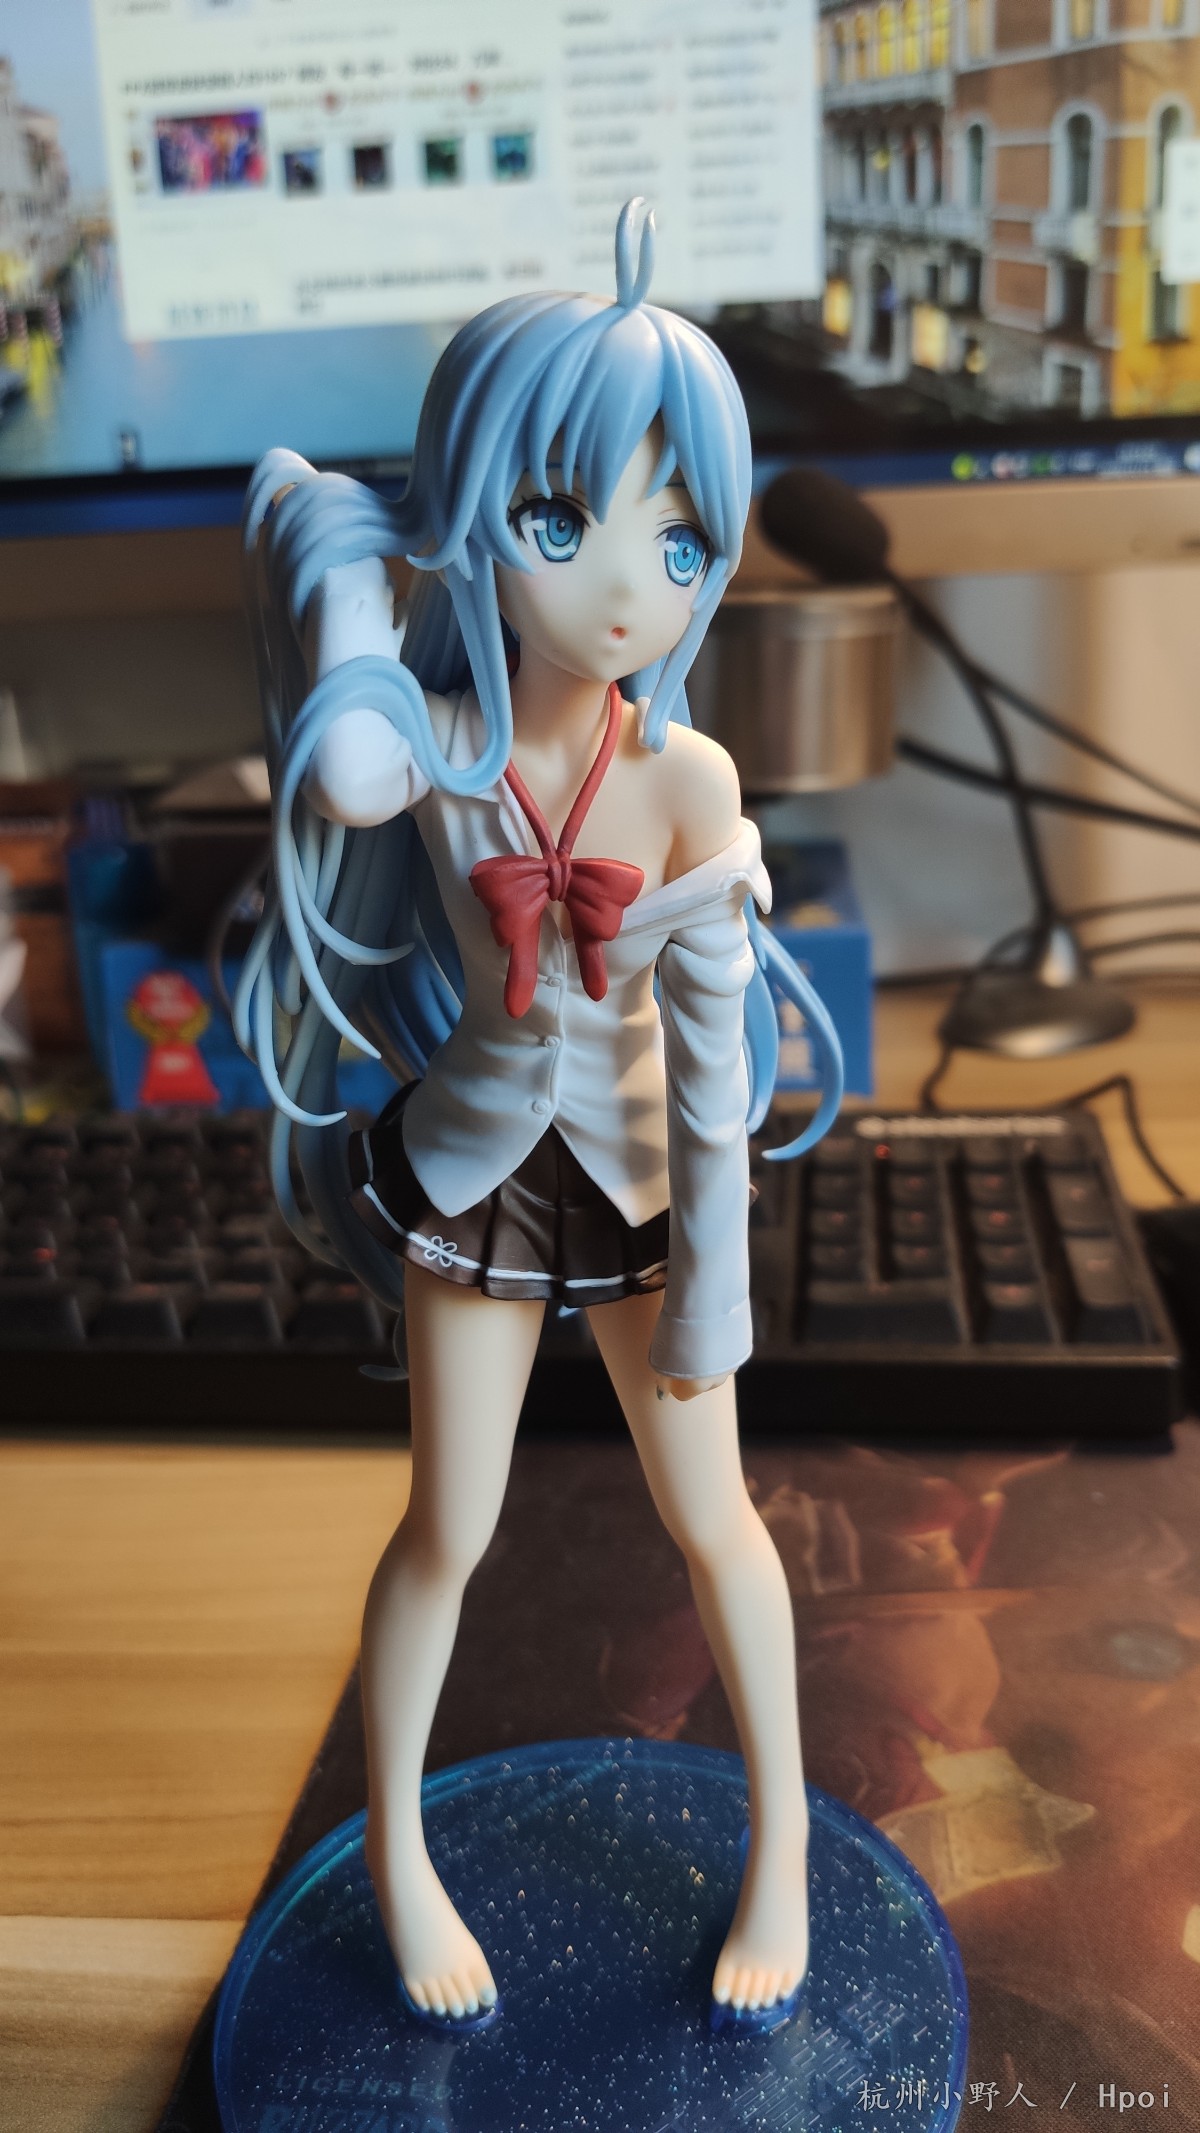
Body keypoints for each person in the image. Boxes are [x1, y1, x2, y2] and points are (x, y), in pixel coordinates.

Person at [236, 200, 842, 2034]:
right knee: (450, 1524)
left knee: (718, 1519)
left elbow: (722, 1069)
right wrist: (359, 564)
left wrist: (716, 1286)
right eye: (561, 522)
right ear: (478, 513)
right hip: (476, 1165)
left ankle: (787, 1848)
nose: (627, 586)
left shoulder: (689, 778)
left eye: (682, 536)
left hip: (649, 1180)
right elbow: (345, 734)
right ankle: (400, 1852)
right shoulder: (431, 743)